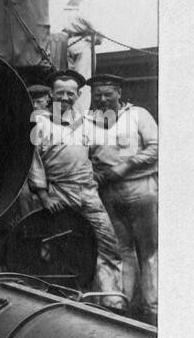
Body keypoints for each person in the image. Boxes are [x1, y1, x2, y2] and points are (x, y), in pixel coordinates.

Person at [27, 71, 126, 309]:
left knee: (108, 244)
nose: (65, 97)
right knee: (61, 246)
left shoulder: (86, 121)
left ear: (78, 95)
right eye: (60, 92)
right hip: (58, 193)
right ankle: (62, 301)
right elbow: (32, 160)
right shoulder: (39, 121)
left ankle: (111, 302)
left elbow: (98, 152)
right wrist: (43, 195)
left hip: (88, 193)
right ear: (51, 94)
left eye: (71, 93)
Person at [87, 72, 158, 324]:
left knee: (148, 250)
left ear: (119, 92)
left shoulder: (138, 114)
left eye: (108, 94)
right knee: (120, 250)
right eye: (97, 95)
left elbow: (155, 147)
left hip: (141, 188)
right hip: (108, 194)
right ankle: (125, 304)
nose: (103, 99)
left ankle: (154, 308)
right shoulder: (87, 121)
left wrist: (125, 167)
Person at [59, 0, 100, 93]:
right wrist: (99, 39)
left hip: (68, 43)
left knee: (69, 80)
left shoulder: (69, 3)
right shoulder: (85, 4)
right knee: (84, 81)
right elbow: (96, 27)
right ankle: (81, 110)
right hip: (82, 44)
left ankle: (65, 109)